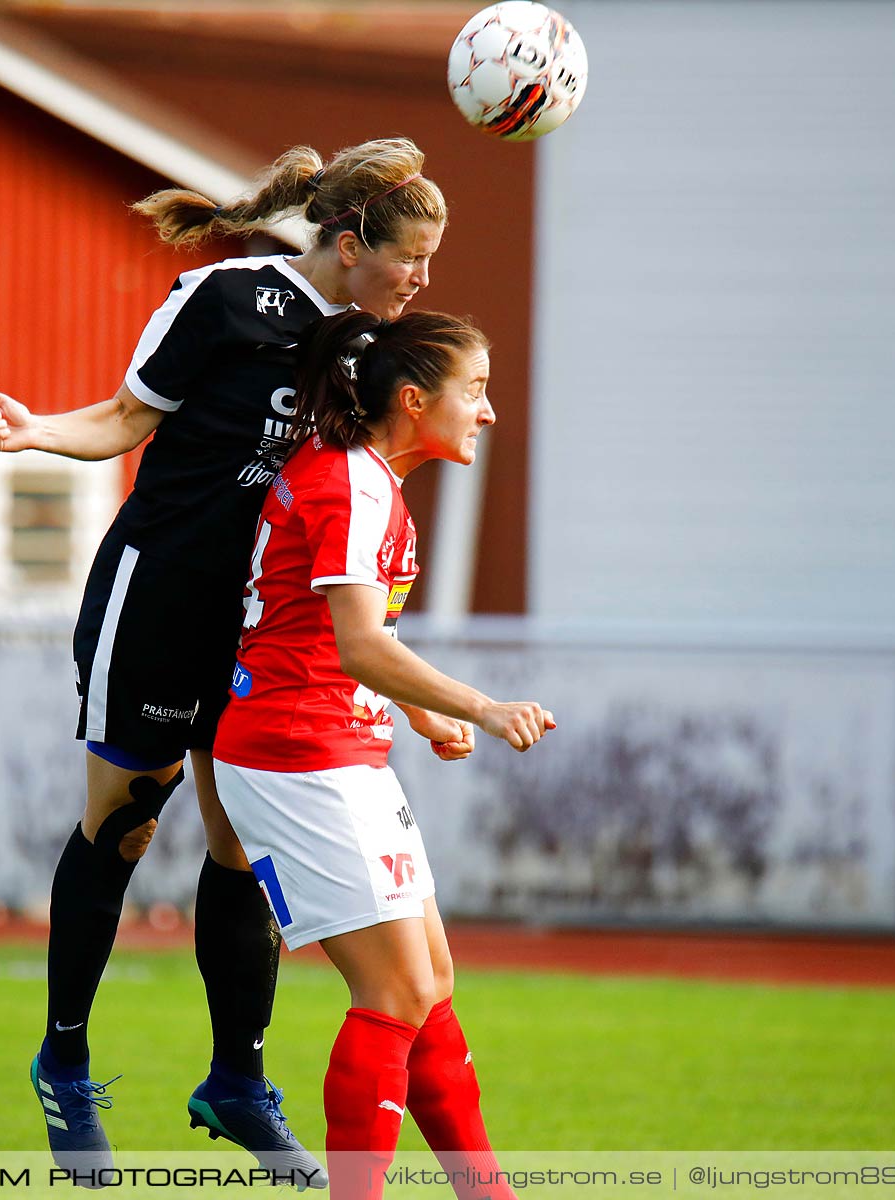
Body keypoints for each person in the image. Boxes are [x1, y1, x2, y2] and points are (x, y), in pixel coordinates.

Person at [0, 138, 448, 1183]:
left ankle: (235, 1080)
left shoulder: (372, 346)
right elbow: (130, 419)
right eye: (411, 258)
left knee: (241, 846)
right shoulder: (227, 298)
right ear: (350, 242)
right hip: (162, 595)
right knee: (127, 826)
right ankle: (64, 1061)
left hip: (259, 622)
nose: (420, 280)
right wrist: (32, 431)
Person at [211, 309, 553, 1200]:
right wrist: (480, 704)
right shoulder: (353, 486)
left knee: (431, 983)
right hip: (298, 758)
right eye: (473, 391)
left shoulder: (363, 480)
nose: (486, 413)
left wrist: (414, 709)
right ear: (412, 400)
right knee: (396, 992)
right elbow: (359, 644)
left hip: (332, 749)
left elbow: (334, 640)